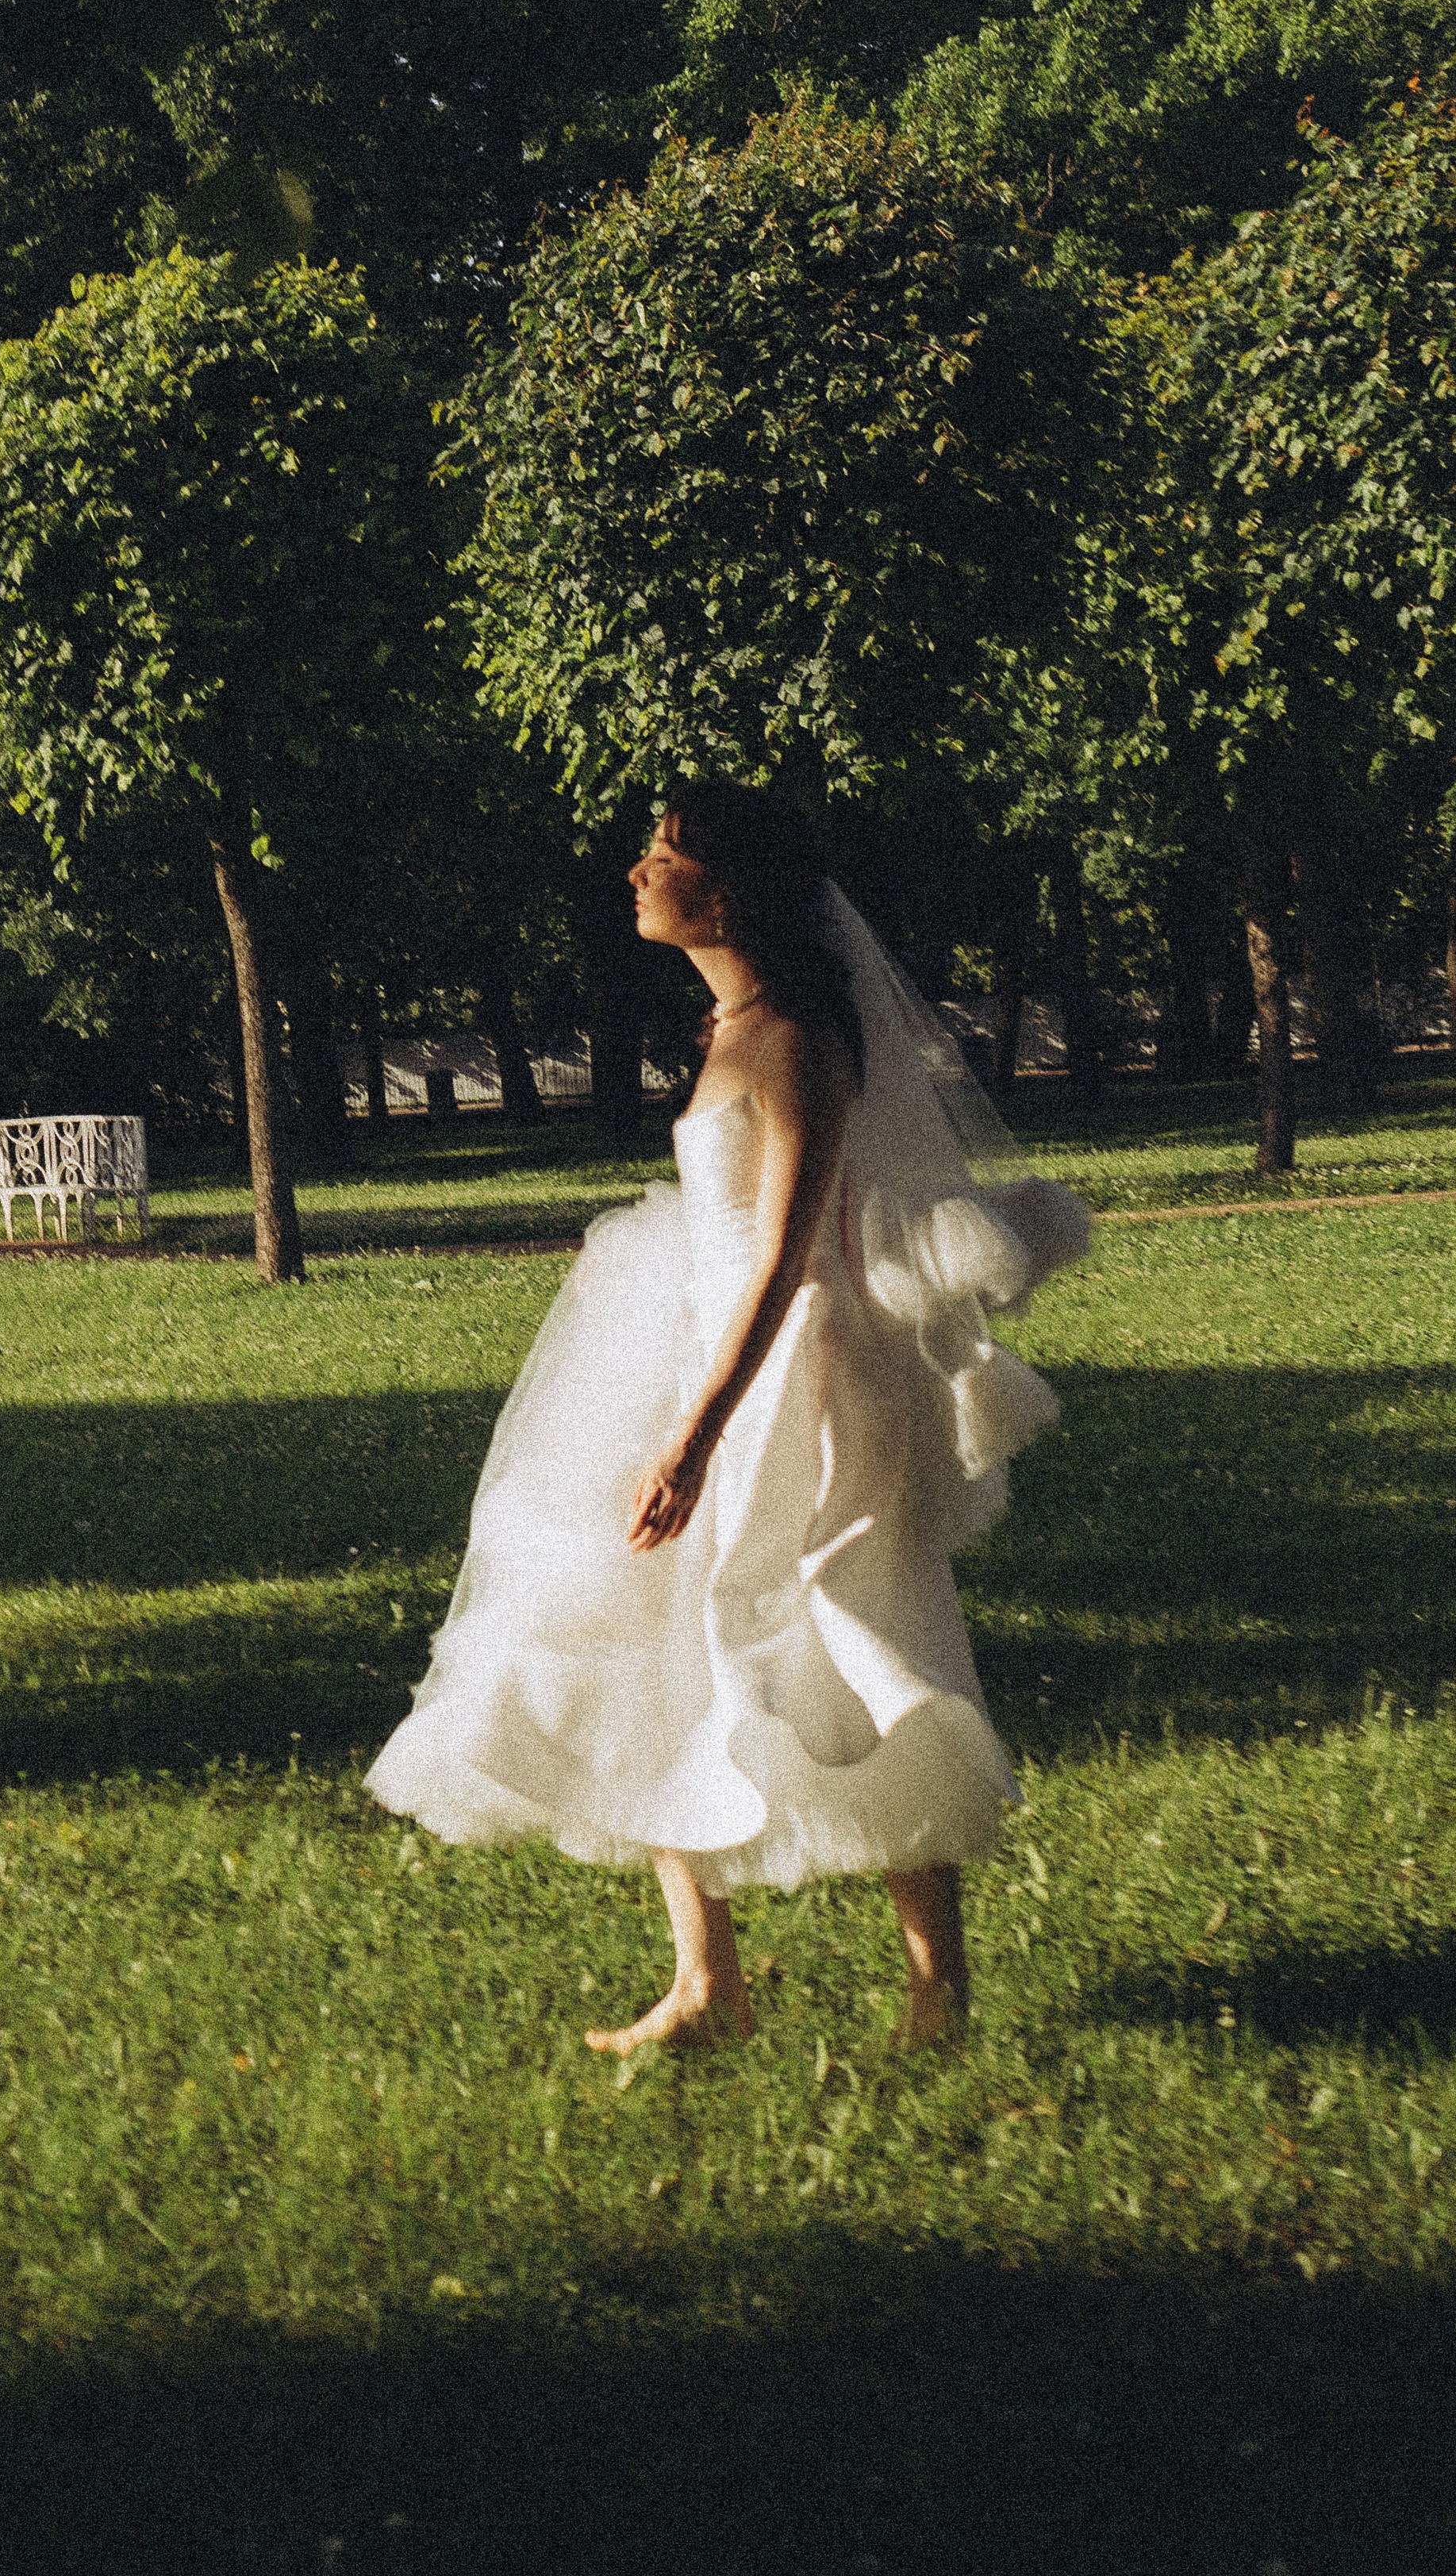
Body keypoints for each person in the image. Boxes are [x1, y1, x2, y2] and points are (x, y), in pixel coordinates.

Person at [364, 784, 1089, 2051]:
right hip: (707, 1356)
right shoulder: (730, 1027)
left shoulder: (796, 1033)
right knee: (650, 1645)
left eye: (665, 854)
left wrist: (698, 1434)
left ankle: (940, 1996)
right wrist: (641, 1256)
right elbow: (728, 1214)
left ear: (729, 889)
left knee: (853, 1641)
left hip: (790, 1384)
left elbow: (791, 1253)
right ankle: (707, 1985)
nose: (638, 873)